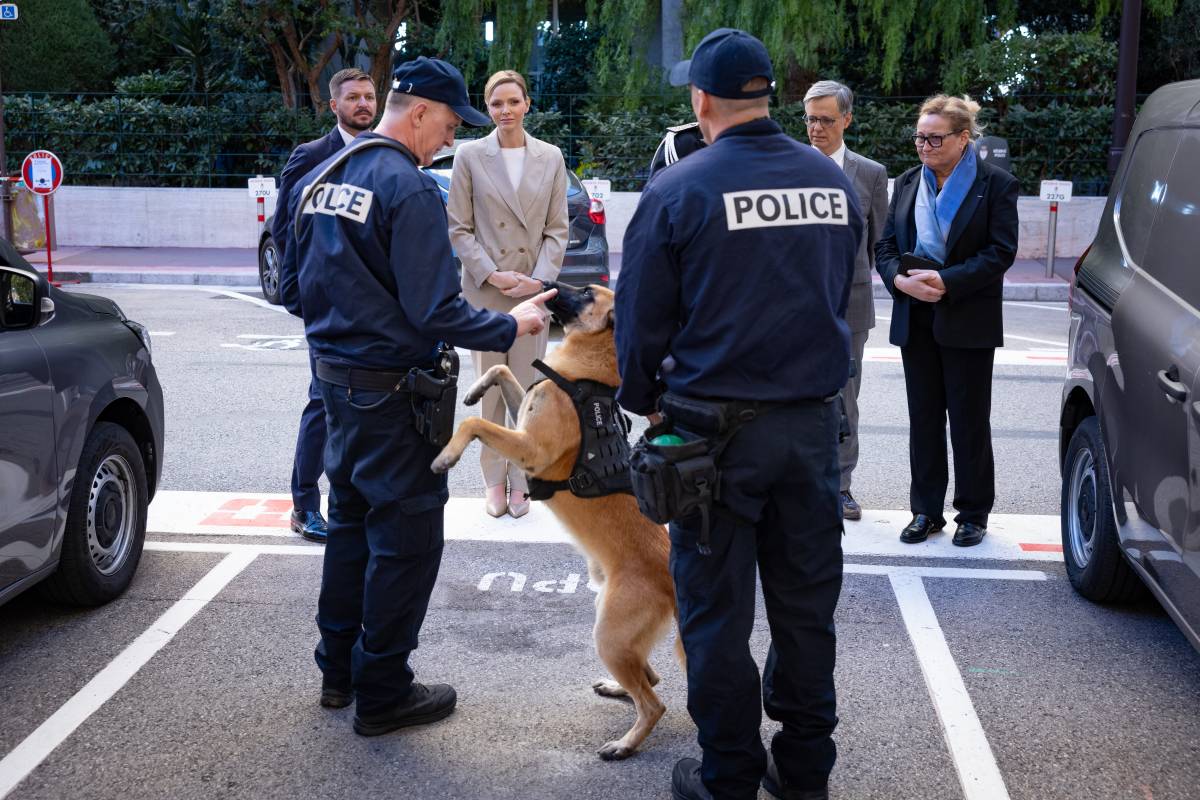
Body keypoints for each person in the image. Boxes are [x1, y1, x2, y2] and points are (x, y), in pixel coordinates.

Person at [615, 28, 862, 800]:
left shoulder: (681, 187)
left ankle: (728, 775)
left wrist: (643, 403)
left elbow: (640, 322)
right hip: (813, 429)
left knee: (717, 612)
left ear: (701, 101)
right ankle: (806, 771)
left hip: (710, 439)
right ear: (767, 96)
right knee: (805, 606)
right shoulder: (831, 183)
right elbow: (841, 296)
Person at [279, 56, 557, 736]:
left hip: (337, 387)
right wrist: (509, 324)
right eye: (448, 125)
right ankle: (384, 691)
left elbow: (289, 289)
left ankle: (337, 672)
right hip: (394, 395)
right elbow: (438, 310)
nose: (449, 141)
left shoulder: (323, 177)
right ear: (421, 111)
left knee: (348, 525)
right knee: (405, 540)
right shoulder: (405, 187)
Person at [874, 95, 1018, 548]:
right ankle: (926, 511)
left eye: (934, 138)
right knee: (924, 420)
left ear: (962, 138)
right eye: (920, 137)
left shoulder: (996, 184)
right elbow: (884, 247)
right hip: (915, 316)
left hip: (966, 317)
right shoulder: (908, 182)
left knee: (970, 420)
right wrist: (900, 280)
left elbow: (1000, 251)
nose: (924, 145)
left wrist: (947, 280)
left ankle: (973, 513)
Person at [447, 69, 569, 519]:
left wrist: (538, 281)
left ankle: (523, 483)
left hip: (532, 294)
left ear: (527, 104)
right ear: (488, 107)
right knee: (492, 392)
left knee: (530, 393)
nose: (504, 111)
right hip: (489, 292)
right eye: (496, 103)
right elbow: (458, 227)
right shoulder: (470, 156)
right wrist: (492, 274)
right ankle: (494, 480)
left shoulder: (550, 157)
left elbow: (558, 229)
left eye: (512, 102)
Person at [271, 67, 378, 543]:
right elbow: (284, 227)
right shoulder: (310, 156)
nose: (363, 104)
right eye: (353, 97)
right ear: (333, 105)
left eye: (369, 96)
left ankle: (352, 501)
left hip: (371, 308)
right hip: (326, 307)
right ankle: (303, 506)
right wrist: (300, 297)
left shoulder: (381, 153)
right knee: (322, 402)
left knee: (361, 405)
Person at [802, 80, 890, 522]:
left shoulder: (871, 174)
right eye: (810, 119)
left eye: (826, 120)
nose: (816, 128)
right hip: (793, 305)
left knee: (844, 398)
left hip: (850, 306)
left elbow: (880, 243)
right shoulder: (787, 166)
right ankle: (798, 485)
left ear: (847, 120)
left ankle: (841, 486)